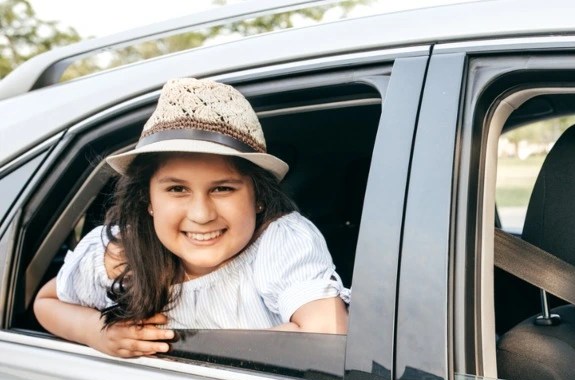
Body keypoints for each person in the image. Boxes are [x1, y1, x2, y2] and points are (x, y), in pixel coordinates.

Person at [34, 77, 350, 358]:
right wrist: (97, 332)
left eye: (223, 189)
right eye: (177, 189)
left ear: (258, 199)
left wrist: (184, 348)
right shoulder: (121, 252)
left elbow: (326, 337)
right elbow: (46, 302)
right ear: (148, 200)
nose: (201, 215)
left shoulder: (280, 242)